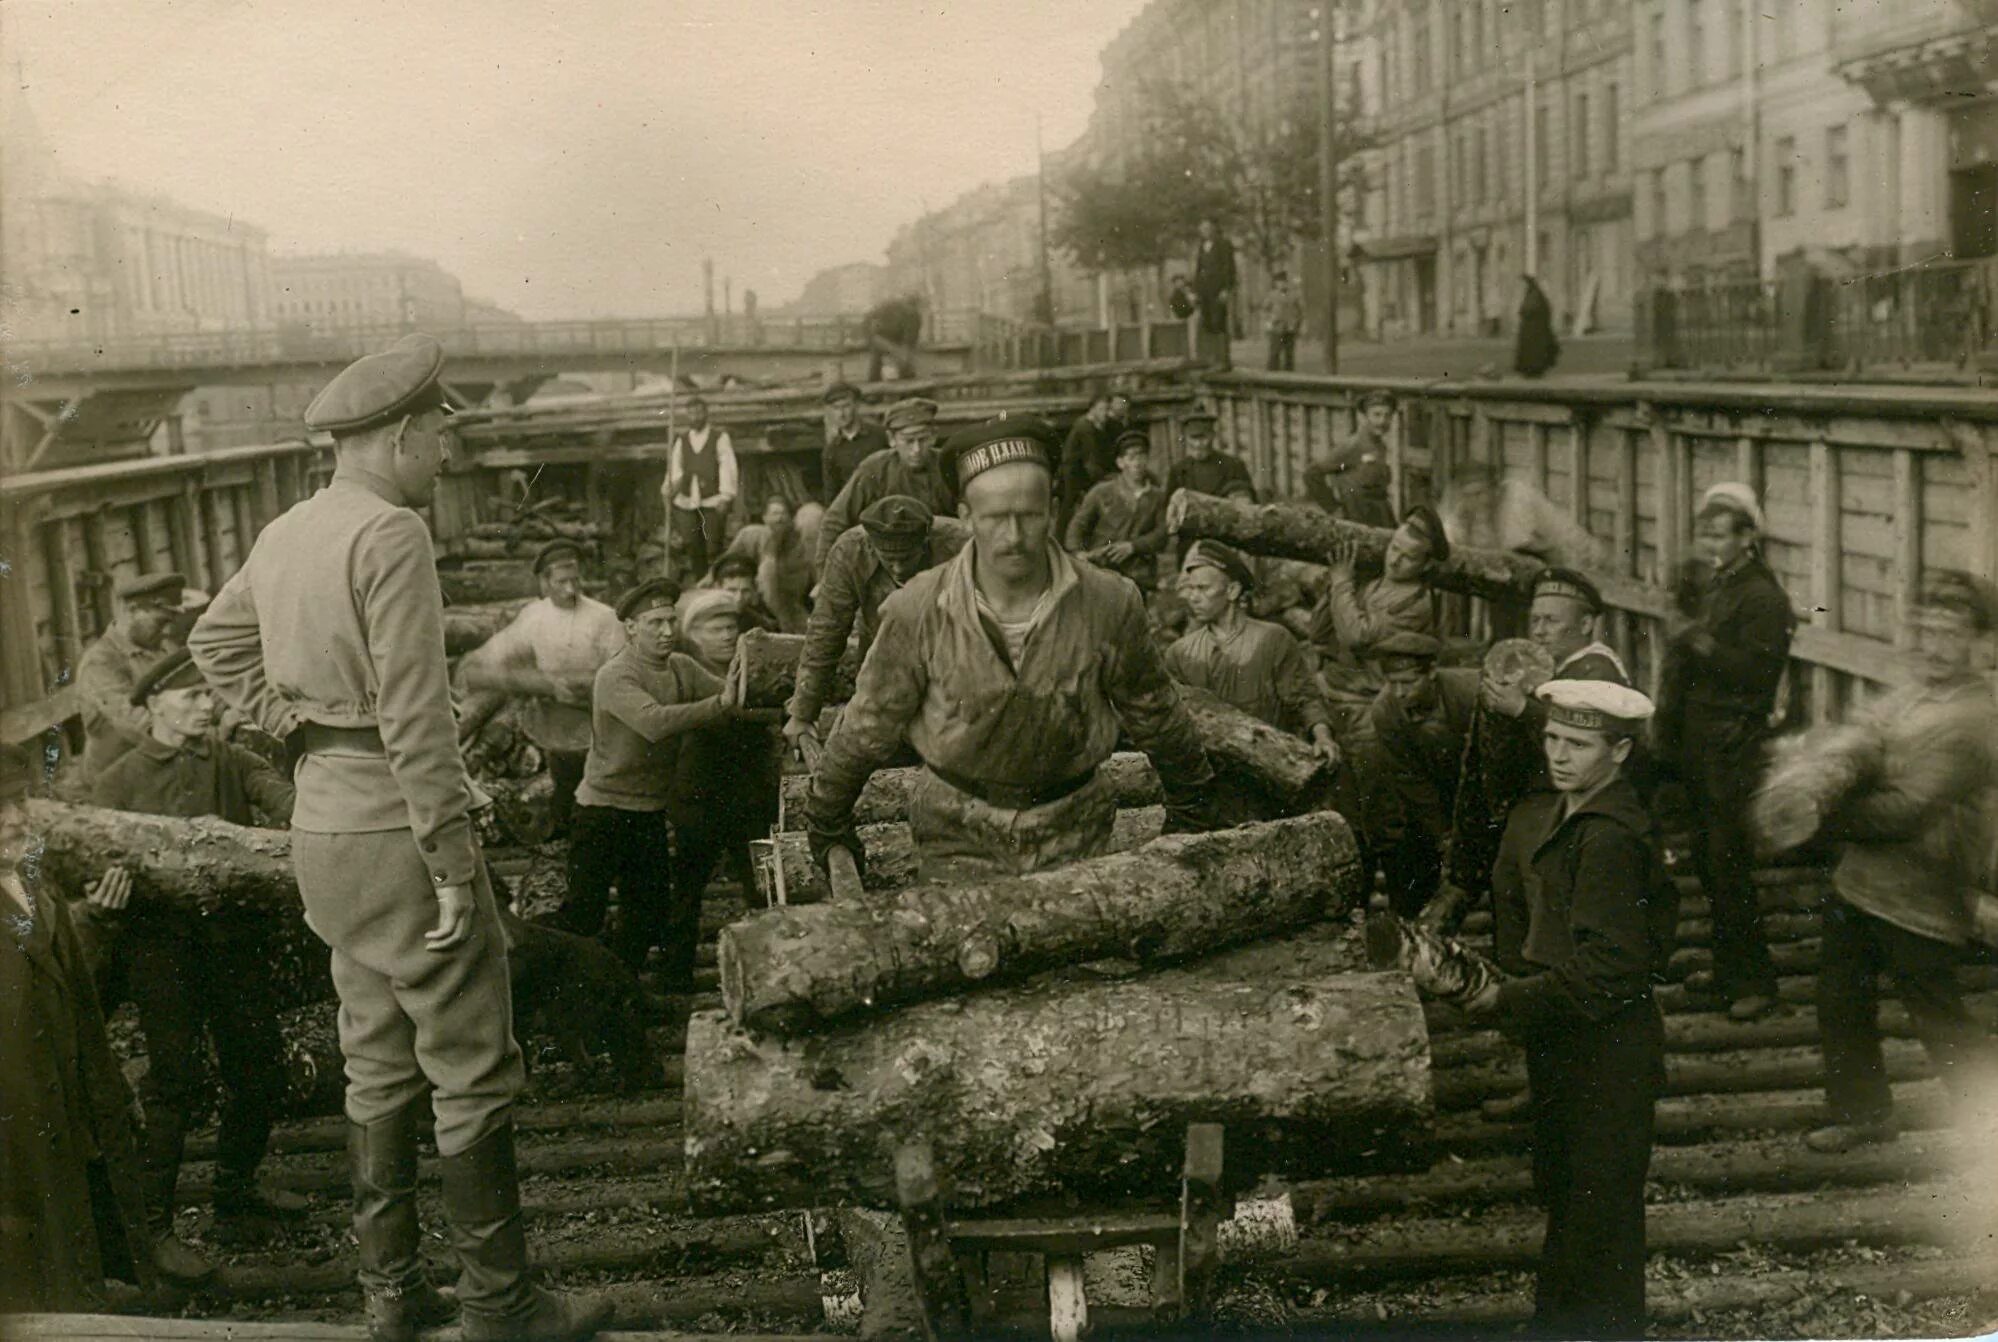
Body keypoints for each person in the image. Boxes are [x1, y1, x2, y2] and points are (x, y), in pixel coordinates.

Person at [188, 334, 610, 1342]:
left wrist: (291, 724)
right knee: (469, 1062)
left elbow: (213, 642)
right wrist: (452, 858)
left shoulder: (287, 529)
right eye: (440, 438)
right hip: (395, 822)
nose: (447, 458)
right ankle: (501, 1305)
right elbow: (419, 716)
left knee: (373, 1054)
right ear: (402, 433)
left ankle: (390, 1296)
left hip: (322, 820)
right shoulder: (391, 534)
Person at [805, 417, 1223, 886]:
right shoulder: (916, 608)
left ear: (1053, 510)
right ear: (964, 517)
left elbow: (1155, 711)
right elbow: (868, 721)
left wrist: (1192, 803)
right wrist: (827, 813)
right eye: (994, 517)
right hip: (955, 828)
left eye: (1028, 515)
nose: (1013, 536)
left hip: (1074, 826)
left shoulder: (1109, 601)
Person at [84, 648, 302, 1278]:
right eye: (192, 698)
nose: (208, 706)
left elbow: (280, 796)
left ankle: (234, 1193)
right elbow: (91, 859)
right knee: (175, 1083)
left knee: (259, 1068)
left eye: (209, 695)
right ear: (153, 706)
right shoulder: (119, 780)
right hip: (161, 950)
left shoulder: (230, 760)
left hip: (234, 942)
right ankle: (154, 1230)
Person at [1488, 679, 1671, 1339]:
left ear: (1619, 753)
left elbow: (1612, 969)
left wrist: (1503, 999)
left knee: (1598, 1214)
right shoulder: (1576, 810)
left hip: (1607, 1052)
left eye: (1579, 744)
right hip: (1574, 1043)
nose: (1559, 755)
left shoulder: (1608, 836)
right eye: (1552, 738)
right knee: (1572, 1199)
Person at [1805, 570, 1998, 1154]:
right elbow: (1865, 740)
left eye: (1952, 634)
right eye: (1929, 630)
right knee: (1840, 1000)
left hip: (1922, 894)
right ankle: (1864, 1114)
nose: (1936, 645)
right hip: (1863, 881)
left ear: (1980, 644)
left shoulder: (1972, 719)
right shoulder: (1912, 693)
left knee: (1939, 1017)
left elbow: (1906, 811)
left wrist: (1819, 813)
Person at [0, 742, 158, 1313]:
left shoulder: (41, 894)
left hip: (59, 1114)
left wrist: (95, 921)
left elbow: (69, 998)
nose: (15, 818)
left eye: (17, 802)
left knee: (68, 1253)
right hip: (11, 1137)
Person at [564, 578, 738, 983]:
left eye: (670, 621)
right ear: (630, 628)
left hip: (647, 813)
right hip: (601, 812)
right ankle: (561, 992)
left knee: (648, 914)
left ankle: (620, 991)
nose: (665, 631)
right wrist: (721, 705)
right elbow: (654, 723)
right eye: (654, 623)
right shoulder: (616, 675)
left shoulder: (681, 667)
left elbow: (734, 697)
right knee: (584, 913)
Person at [1673, 484, 1796, 1023]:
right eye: (1704, 534)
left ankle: (1758, 984)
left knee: (1727, 865)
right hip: (1705, 741)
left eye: (1719, 535)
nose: (1708, 545)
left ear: (1748, 539)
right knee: (1707, 861)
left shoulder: (1764, 598)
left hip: (1734, 744)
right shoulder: (1720, 584)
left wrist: (1698, 642)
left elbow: (1758, 673)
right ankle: (1729, 972)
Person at [457, 540, 626, 840]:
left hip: (598, 715)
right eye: (561, 582)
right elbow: (494, 654)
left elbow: (621, 672)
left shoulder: (604, 617)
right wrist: (474, 665)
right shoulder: (534, 616)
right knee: (561, 791)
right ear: (544, 582)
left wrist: (587, 685)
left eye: (575, 580)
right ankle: (563, 838)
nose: (570, 589)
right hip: (551, 718)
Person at [783, 495, 969, 760]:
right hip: (881, 650)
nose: (898, 567)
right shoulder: (849, 551)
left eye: (906, 557)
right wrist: (803, 713)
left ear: (925, 540)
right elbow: (826, 633)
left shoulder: (960, 544)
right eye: (888, 558)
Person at [1166, 540, 1340, 768]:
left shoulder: (1272, 639)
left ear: (1232, 591)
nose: (1193, 597)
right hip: (1212, 773)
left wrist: (1323, 737)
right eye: (1190, 589)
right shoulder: (1181, 653)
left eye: (1203, 589)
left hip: (1272, 766)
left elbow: (1304, 699)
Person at [670, 587, 782, 919]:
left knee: (766, 887)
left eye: (731, 628)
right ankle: (675, 970)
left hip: (754, 803)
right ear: (692, 634)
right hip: (699, 800)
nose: (727, 636)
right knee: (686, 892)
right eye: (715, 630)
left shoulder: (758, 670)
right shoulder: (682, 674)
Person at [1362, 631, 1481, 918]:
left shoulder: (1469, 692)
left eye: (1409, 682)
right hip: (1424, 795)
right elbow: (1410, 781)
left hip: (1476, 785)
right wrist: (1444, 834)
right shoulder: (1386, 711)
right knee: (1414, 864)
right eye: (1393, 683)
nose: (1400, 693)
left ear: (1432, 673)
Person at [1307, 505, 1446, 714]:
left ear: (1426, 565)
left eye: (1409, 557)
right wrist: (1333, 586)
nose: (1395, 560)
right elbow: (1317, 633)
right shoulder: (1373, 583)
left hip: (1365, 704)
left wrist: (1342, 584)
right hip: (1333, 687)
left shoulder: (1415, 603)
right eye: (1394, 548)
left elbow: (1356, 636)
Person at [814, 396, 953, 572]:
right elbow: (835, 520)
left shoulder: (948, 466)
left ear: (933, 436)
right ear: (892, 439)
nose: (916, 449)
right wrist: (823, 574)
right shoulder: (874, 469)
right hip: (888, 565)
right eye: (908, 441)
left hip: (941, 563)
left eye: (923, 440)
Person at [74, 570, 184, 776]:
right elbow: (136, 724)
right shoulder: (101, 662)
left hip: (164, 765)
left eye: (171, 623)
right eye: (161, 622)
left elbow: (192, 688)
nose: (167, 631)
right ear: (132, 611)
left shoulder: (164, 648)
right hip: (117, 778)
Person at [1065, 429, 1169, 593]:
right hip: (1103, 569)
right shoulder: (1101, 492)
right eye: (1131, 457)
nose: (1137, 463)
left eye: (1142, 456)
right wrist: (1078, 553)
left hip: (1140, 573)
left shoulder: (1157, 496)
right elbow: (1078, 525)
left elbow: (1163, 533)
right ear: (1120, 463)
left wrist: (1133, 546)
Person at [663, 395, 738, 583]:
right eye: (691, 413)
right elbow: (675, 468)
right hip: (688, 499)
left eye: (698, 412)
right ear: (687, 416)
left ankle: (717, 582)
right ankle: (699, 582)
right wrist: (670, 487)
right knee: (692, 544)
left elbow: (727, 465)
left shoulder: (719, 437)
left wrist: (726, 496)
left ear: (706, 413)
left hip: (712, 499)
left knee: (713, 544)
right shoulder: (682, 439)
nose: (695, 417)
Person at [715, 495, 811, 632]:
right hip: (750, 596)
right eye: (775, 514)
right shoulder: (752, 534)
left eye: (784, 514)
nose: (779, 518)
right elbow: (728, 561)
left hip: (786, 600)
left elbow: (800, 581)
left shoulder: (797, 545)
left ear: (791, 519)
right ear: (765, 518)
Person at [1304, 390, 1398, 528]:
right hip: (1358, 522)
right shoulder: (1353, 445)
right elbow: (1311, 474)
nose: (1382, 421)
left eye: (1387, 416)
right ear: (1365, 417)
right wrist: (1334, 509)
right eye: (1376, 415)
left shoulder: (1380, 446)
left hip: (1379, 518)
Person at [1162, 410, 1255, 536]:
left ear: (1212, 436)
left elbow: (1249, 508)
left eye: (1203, 438)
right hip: (1191, 537)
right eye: (1193, 438)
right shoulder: (1178, 470)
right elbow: (1168, 511)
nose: (1198, 444)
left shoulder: (1233, 465)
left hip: (1226, 537)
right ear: (1185, 438)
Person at [1057, 390, 1131, 525]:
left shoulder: (1098, 427)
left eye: (1108, 409)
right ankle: (1060, 538)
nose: (1105, 413)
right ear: (1092, 409)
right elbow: (1091, 459)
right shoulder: (1084, 426)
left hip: (1083, 471)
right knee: (1069, 506)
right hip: (1073, 472)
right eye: (1102, 409)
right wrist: (1106, 478)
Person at [820, 380, 888, 504]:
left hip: (883, 503)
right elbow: (831, 494)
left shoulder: (880, 436)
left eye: (846, 406)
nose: (841, 414)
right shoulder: (832, 450)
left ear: (856, 406)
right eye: (836, 408)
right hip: (854, 511)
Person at [1191, 217, 1237, 369]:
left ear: (1214, 228)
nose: (1205, 231)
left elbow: (1229, 268)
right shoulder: (1201, 246)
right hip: (1205, 292)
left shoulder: (1224, 244)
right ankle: (1210, 359)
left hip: (1218, 291)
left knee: (1219, 323)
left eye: (1207, 228)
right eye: (1202, 229)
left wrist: (1226, 289)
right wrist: (1195, 291)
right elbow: (1198, 270)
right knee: (1207, 323)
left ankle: (1223, 360)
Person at [711, 553, 782, 634]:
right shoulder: (701, 618)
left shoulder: (760, 625)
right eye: (731, 590)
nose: (739, 598)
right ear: (717, 588)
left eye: (745, 591)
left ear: (753, 591)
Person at [1514, 274, 1561, 378]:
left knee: (1534, 353)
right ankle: (1531, 370)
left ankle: (1533, 370)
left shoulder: (1535, 295)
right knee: (1531, 352)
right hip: (1532, 330)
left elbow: (1531, 309)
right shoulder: (1533, 294)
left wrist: (1524, 312)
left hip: (1534, 330)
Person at [1265, 268, 1303, 372]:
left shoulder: (1293, 295)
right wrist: (1269, 322)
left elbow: (1299, 311)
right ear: (1276, 283)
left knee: (1289, 354)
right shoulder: (1272, 295)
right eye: (1279, 282)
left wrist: (1297, 324)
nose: (1281, 284)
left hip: (1289, 328)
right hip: (1276, 327)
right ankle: (1271, 376)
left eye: (1283, 282)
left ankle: (1288, 377)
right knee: (1274, 353)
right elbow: (1266, 310)